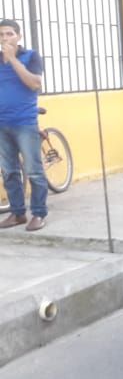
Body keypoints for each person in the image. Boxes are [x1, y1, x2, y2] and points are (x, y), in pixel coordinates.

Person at [0, 19, 47, 231]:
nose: (4, 38)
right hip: (2, 124)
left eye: (9, 34)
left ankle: (38, 213)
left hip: (24, 122)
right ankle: (18, 213)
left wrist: (13, 60)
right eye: (1, 35)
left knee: (33, 170)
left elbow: (35, 84)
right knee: (9, 172)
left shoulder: (31, 56)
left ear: (19, 36)